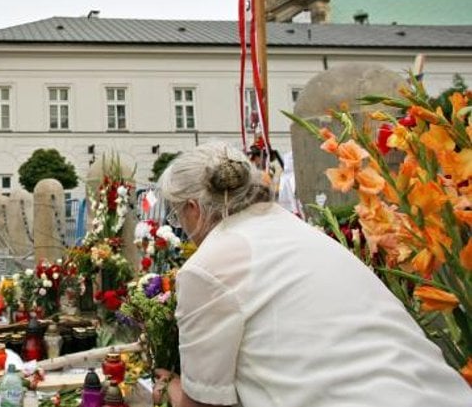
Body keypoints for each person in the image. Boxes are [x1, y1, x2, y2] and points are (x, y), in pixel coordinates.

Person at [154, 141, 472, 407]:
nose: (182, 226)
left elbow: (204, 404)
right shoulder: (292, 226)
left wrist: (167, 384)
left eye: (178, 214)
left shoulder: (207, 266)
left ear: (193, 208)